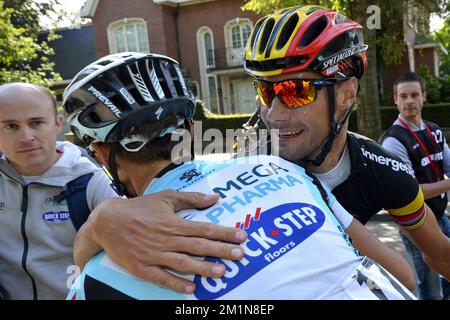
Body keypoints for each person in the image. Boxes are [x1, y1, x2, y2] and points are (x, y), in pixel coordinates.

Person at [71, 5, 450, 294]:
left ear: (347, 93)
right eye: (265, 91)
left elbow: (437, 256)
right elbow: (170, 179)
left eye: (294, 91)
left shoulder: (383, 170)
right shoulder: (250, 152)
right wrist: (103, 219)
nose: (273, 112)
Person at [0, 83, 120, 299]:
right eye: (11, 126)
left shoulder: (90, 182)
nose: (26, 137)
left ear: (57, 125)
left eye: (36, 123)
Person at [380, 71, 450, 300]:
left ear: (424, 97)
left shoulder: (435, 131)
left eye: (414, 95)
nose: (409, 100)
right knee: (429, 288)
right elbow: (411, 192)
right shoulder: (393, 141)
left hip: (440, 216)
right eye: (403, 96)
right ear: (395, 100)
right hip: (415, 224)